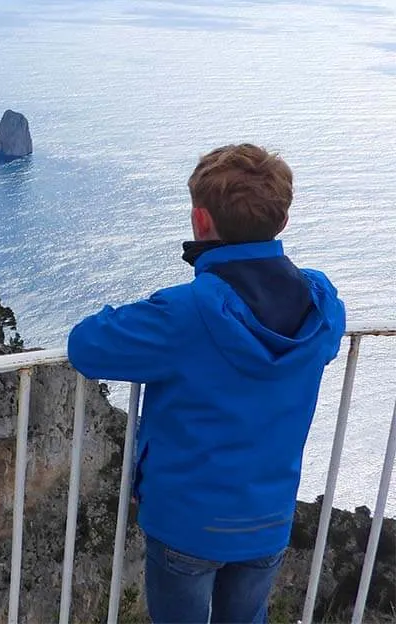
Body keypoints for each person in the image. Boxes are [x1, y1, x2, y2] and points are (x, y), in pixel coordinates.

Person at [67, 144, 346, 624]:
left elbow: (86, 345)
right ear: (281, 222)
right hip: (268, 519)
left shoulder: (186, 313)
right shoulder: (321, 304)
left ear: (201, 222)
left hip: (187, 525)